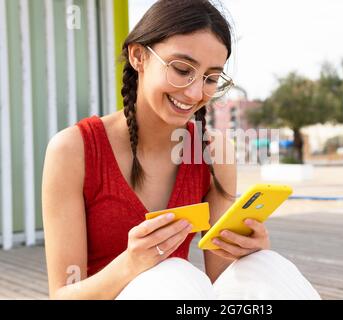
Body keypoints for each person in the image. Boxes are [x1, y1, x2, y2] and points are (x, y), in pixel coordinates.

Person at [42, 0, 320, 300]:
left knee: (265, 265)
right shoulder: (73, 150)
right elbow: (63, 295)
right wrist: (131, 264)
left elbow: (222, 280)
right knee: (174, 273)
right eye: (181, 69)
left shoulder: (213, 151)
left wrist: (246, 253)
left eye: (210, 78)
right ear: (138, 56)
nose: (194, 92)